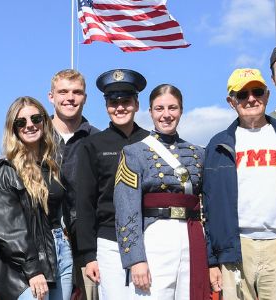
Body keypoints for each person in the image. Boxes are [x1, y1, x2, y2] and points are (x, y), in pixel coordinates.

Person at [201, 68, 276, 299]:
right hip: (236, 246)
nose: (251, 99)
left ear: (267, 95)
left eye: (257, 91)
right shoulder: (217, 145)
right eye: (242, 94)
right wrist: (211, 260)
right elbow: (208, 207)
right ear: (231, 101)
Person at [112, 84, 208, 299]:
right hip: (155, 237)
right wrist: (135, 260)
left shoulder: (199, 153)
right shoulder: (134, 153)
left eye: (172, 108)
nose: (166, 115)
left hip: (192, 235)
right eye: (159, 108)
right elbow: (127, 210)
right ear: (150, 112)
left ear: (181, 110)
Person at [72, 69, 151, 299]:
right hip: (109, 241)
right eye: (113, 102)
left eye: (126, 101)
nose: (120, 108)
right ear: (106, 106)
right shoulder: (92, 145)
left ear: (136, 104)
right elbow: (84, 202)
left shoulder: (152, 142)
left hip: (148, 237)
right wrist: (89, 255)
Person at [0, 96, 66, 300]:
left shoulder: (53, 165)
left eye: (36, 119)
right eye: (21, 122)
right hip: (25, 265)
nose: (30, 125)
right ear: (13, 128)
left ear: (45, 122)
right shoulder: (6, 170)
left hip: (61, 252)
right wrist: (32, 267)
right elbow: (4, 226)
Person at [45, 69, 96, 299]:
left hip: (88, 245)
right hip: (45, 243)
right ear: (51, 96)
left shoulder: (97, 139)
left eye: (77, 92)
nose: (70, 98)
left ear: (85, 97)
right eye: (63, 91)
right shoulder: (34, 135)